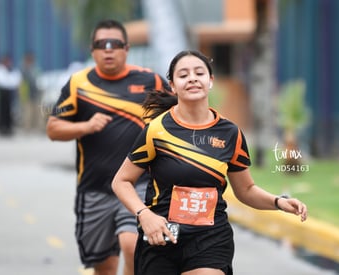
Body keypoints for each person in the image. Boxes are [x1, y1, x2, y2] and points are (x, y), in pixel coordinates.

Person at [111, 50, 308, 275]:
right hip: (161, 235)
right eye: (184, 75)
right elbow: (121, 181)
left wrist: (279, 202)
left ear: (210, 81)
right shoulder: (156, 130)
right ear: (173, 85)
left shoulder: (230, 133)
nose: (192, 78)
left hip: (209, 238)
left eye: (199, 73)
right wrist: (144, 215)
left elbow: (246, 189)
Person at [46, 19, 170, 275]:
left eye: (115, 44)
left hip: (139, 184)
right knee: (104, 265)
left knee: (131, 244)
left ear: (126, 48)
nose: (109, 49)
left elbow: (179, 116)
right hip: (94, 189)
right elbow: (53, 128)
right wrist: (85, 127)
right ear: (93, 51)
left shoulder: (152, 81)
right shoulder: (78, 84)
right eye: (102, 44)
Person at [0, 54, 22, 136]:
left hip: (10, 93)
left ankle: (9, 127)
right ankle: (2, 127)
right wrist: (10, 81)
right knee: (3, 111)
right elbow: (3, 81)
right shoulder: (0, 69)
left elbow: (16, 81)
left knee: (9, 111)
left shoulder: (12, 70)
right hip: (3, 92)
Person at [20, 52, 42, 133]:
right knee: (27, 113)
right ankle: (27, 128)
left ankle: (37, 128)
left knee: (37, 112)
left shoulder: (35, 68)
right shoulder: (23, 70)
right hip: (27, 94)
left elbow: (38, 79)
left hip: (35, 93)